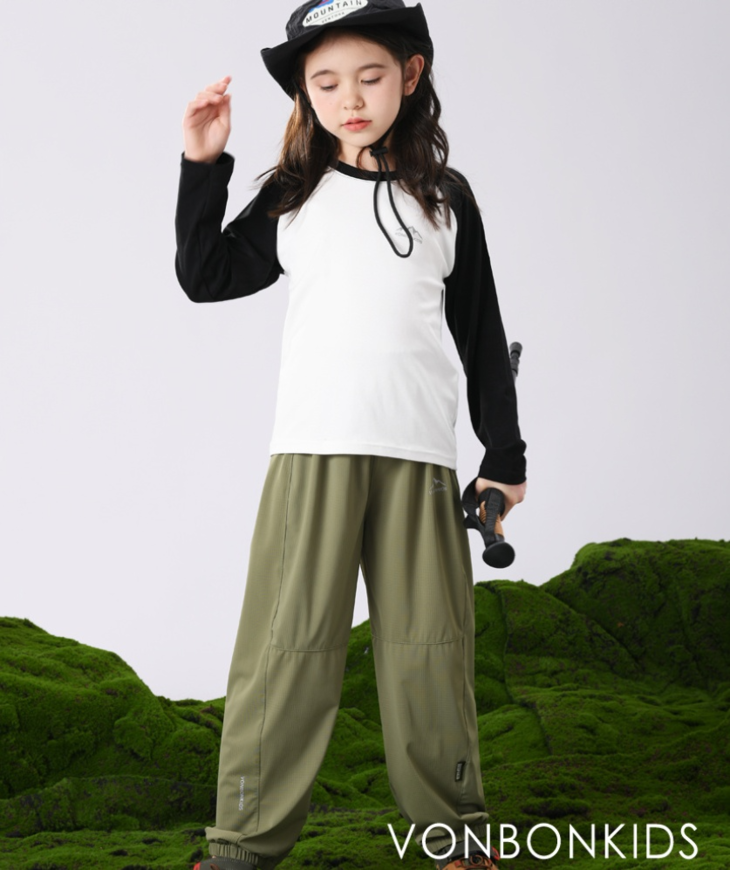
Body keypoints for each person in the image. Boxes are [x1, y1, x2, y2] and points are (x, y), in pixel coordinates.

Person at [174, 2, 527, 868]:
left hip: (420, 459)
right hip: (313, 455)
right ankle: (242, 842)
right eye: (326, 83)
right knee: (286, 649)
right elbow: (206, 276)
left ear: (411, 74)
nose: (351, 99)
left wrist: (505, 458)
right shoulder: (293, 196)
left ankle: (455, 834)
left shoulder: (446, 199)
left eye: (370, 77)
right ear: (305, 93)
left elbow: (481, 334)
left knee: (430, 652)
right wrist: (203, 163)